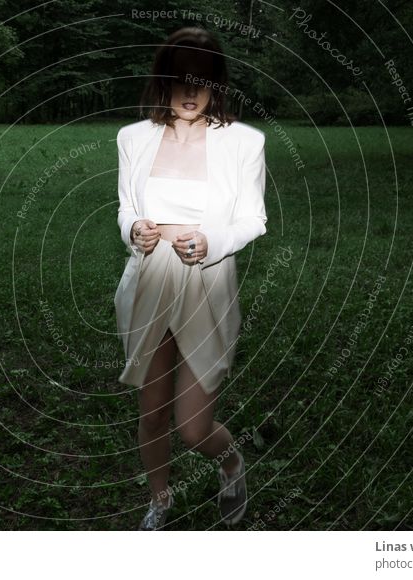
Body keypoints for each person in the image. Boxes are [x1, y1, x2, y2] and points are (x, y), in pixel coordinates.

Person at [114, 27, 268, 530]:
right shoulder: (133, 138)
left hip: (208, 283)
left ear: (216, 84)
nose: (188, 91)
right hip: (151, 282)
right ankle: (160, 500)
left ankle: (231, 462)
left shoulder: (244, 143)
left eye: (200, 80)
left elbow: (253, 219)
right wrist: (133, 228)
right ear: (162, 81)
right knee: (152, 411)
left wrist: (211, 243)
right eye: (178, 79)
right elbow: (126, 207)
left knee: (194, 427)